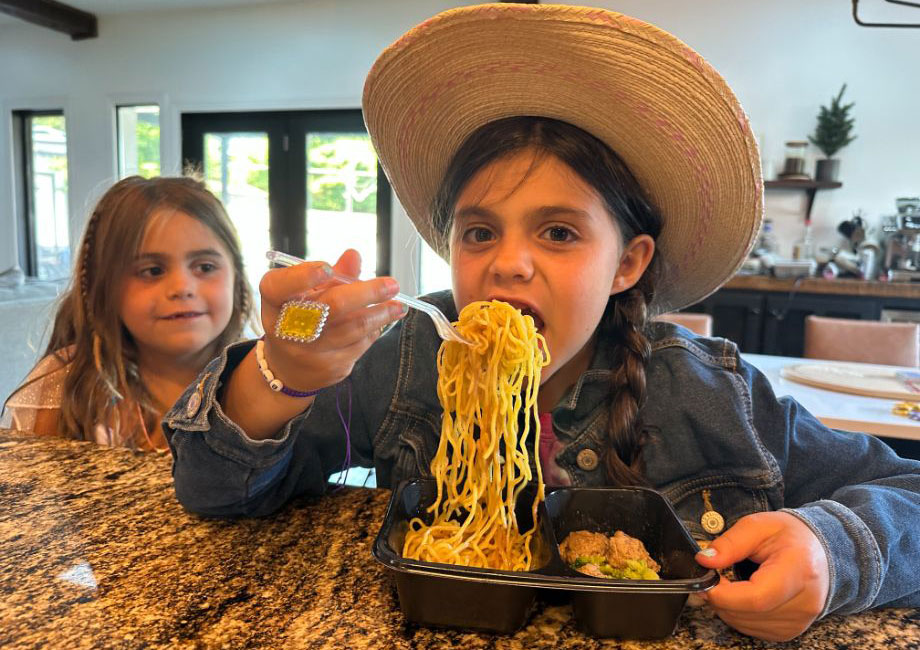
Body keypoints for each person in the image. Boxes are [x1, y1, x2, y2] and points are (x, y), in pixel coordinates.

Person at [163, 4, 919, 642]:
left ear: (627, 263)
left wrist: (830, 551)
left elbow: (908, 491)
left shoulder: (708, 393)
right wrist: (283, 371)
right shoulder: (404, 362)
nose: (508, 264)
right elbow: (215, 492)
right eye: (479, 232)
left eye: (558, 233)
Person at [1, 175, 255, 452]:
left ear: (237, 278)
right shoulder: (67, 384)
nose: (183, 288)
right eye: (153, 271)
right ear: (104, 286)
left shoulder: (263, 379)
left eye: (205, 267)